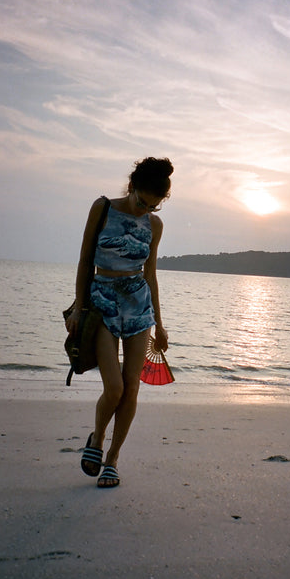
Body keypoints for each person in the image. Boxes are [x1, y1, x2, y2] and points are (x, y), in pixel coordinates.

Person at [67, 157, 173, 488]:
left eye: (154, 206)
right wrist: (77, 307)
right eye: (143, 202)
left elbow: (150, 274)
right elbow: (85, 260)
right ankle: (96, 440)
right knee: (114, 387)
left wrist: (160, 322)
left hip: (138, 306)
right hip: (102, 302)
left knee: (132, 386)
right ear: (131, 187)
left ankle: (112, 459)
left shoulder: (154, 226)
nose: (146, 210)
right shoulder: (102, 209)